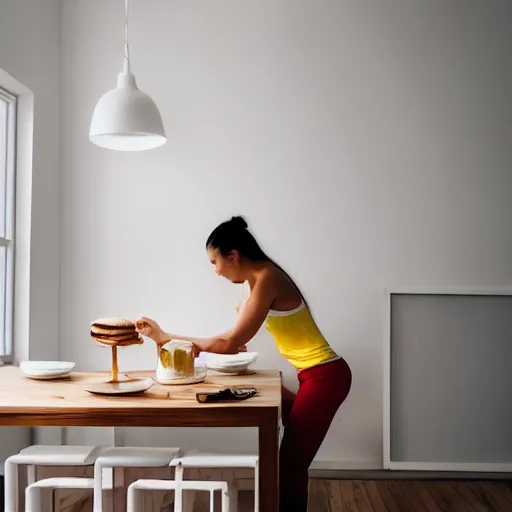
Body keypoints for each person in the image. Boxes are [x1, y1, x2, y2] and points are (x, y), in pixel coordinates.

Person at [136, 216, 352, 512]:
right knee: (280, 430)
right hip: (313, 377)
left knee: (289, 465)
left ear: (233, 256)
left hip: (326, 377)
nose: (215, 271)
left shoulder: (267, 279)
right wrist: (171, 338)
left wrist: (167, 336)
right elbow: (233, 340)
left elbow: (229, 344)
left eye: (215, 262)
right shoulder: (257, 281)